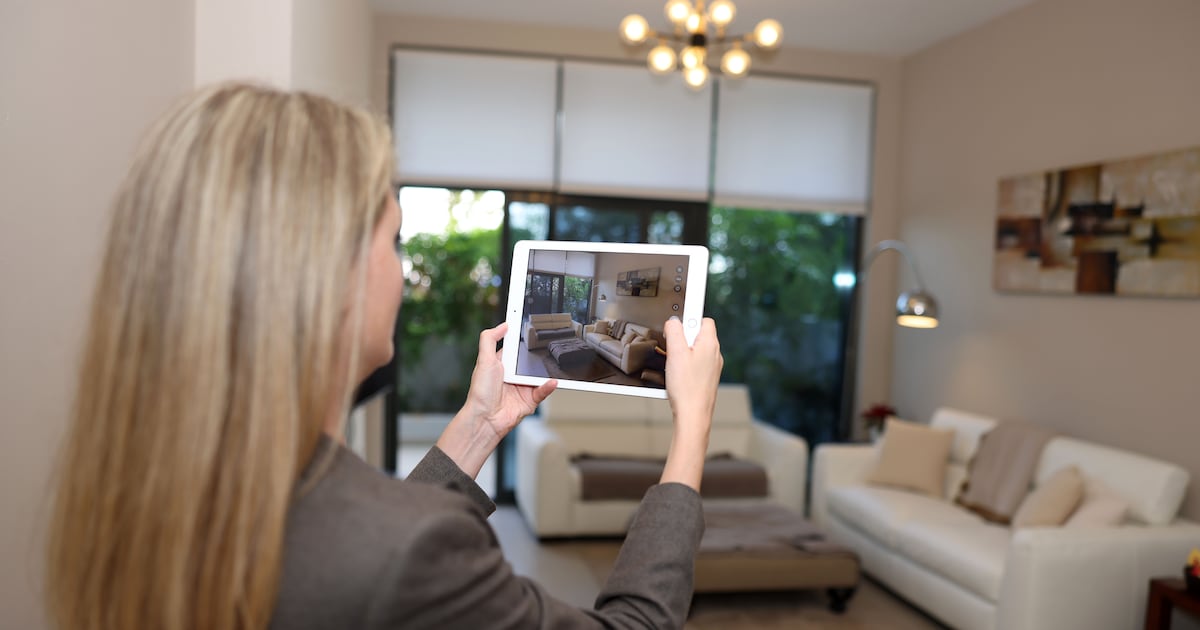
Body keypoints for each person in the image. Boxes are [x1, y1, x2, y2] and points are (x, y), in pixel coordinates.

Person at [44, 82, 724, 630]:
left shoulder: (144, 495)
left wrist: (480, 424)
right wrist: (692, 428)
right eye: (394, 241)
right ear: (325, 275)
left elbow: (354, 544)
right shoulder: (411, 547)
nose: (401, 274)